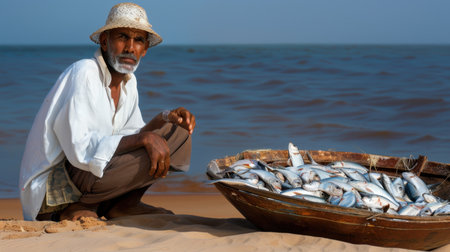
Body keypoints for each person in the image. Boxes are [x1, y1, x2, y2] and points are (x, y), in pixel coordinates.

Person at [19, 2, 195, 221]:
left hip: (92, 178)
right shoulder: (84, 72)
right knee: (147, 143)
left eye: (138, 40)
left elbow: (131, 135)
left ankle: (124, 206)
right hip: (57, 190)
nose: (130, 48)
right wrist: (146, 138)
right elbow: (80, 149)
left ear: (145, 49)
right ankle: (78, 206)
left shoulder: (129, 83)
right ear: (105, 41)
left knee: (177, 132)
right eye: (122, 37)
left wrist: (165, 119)